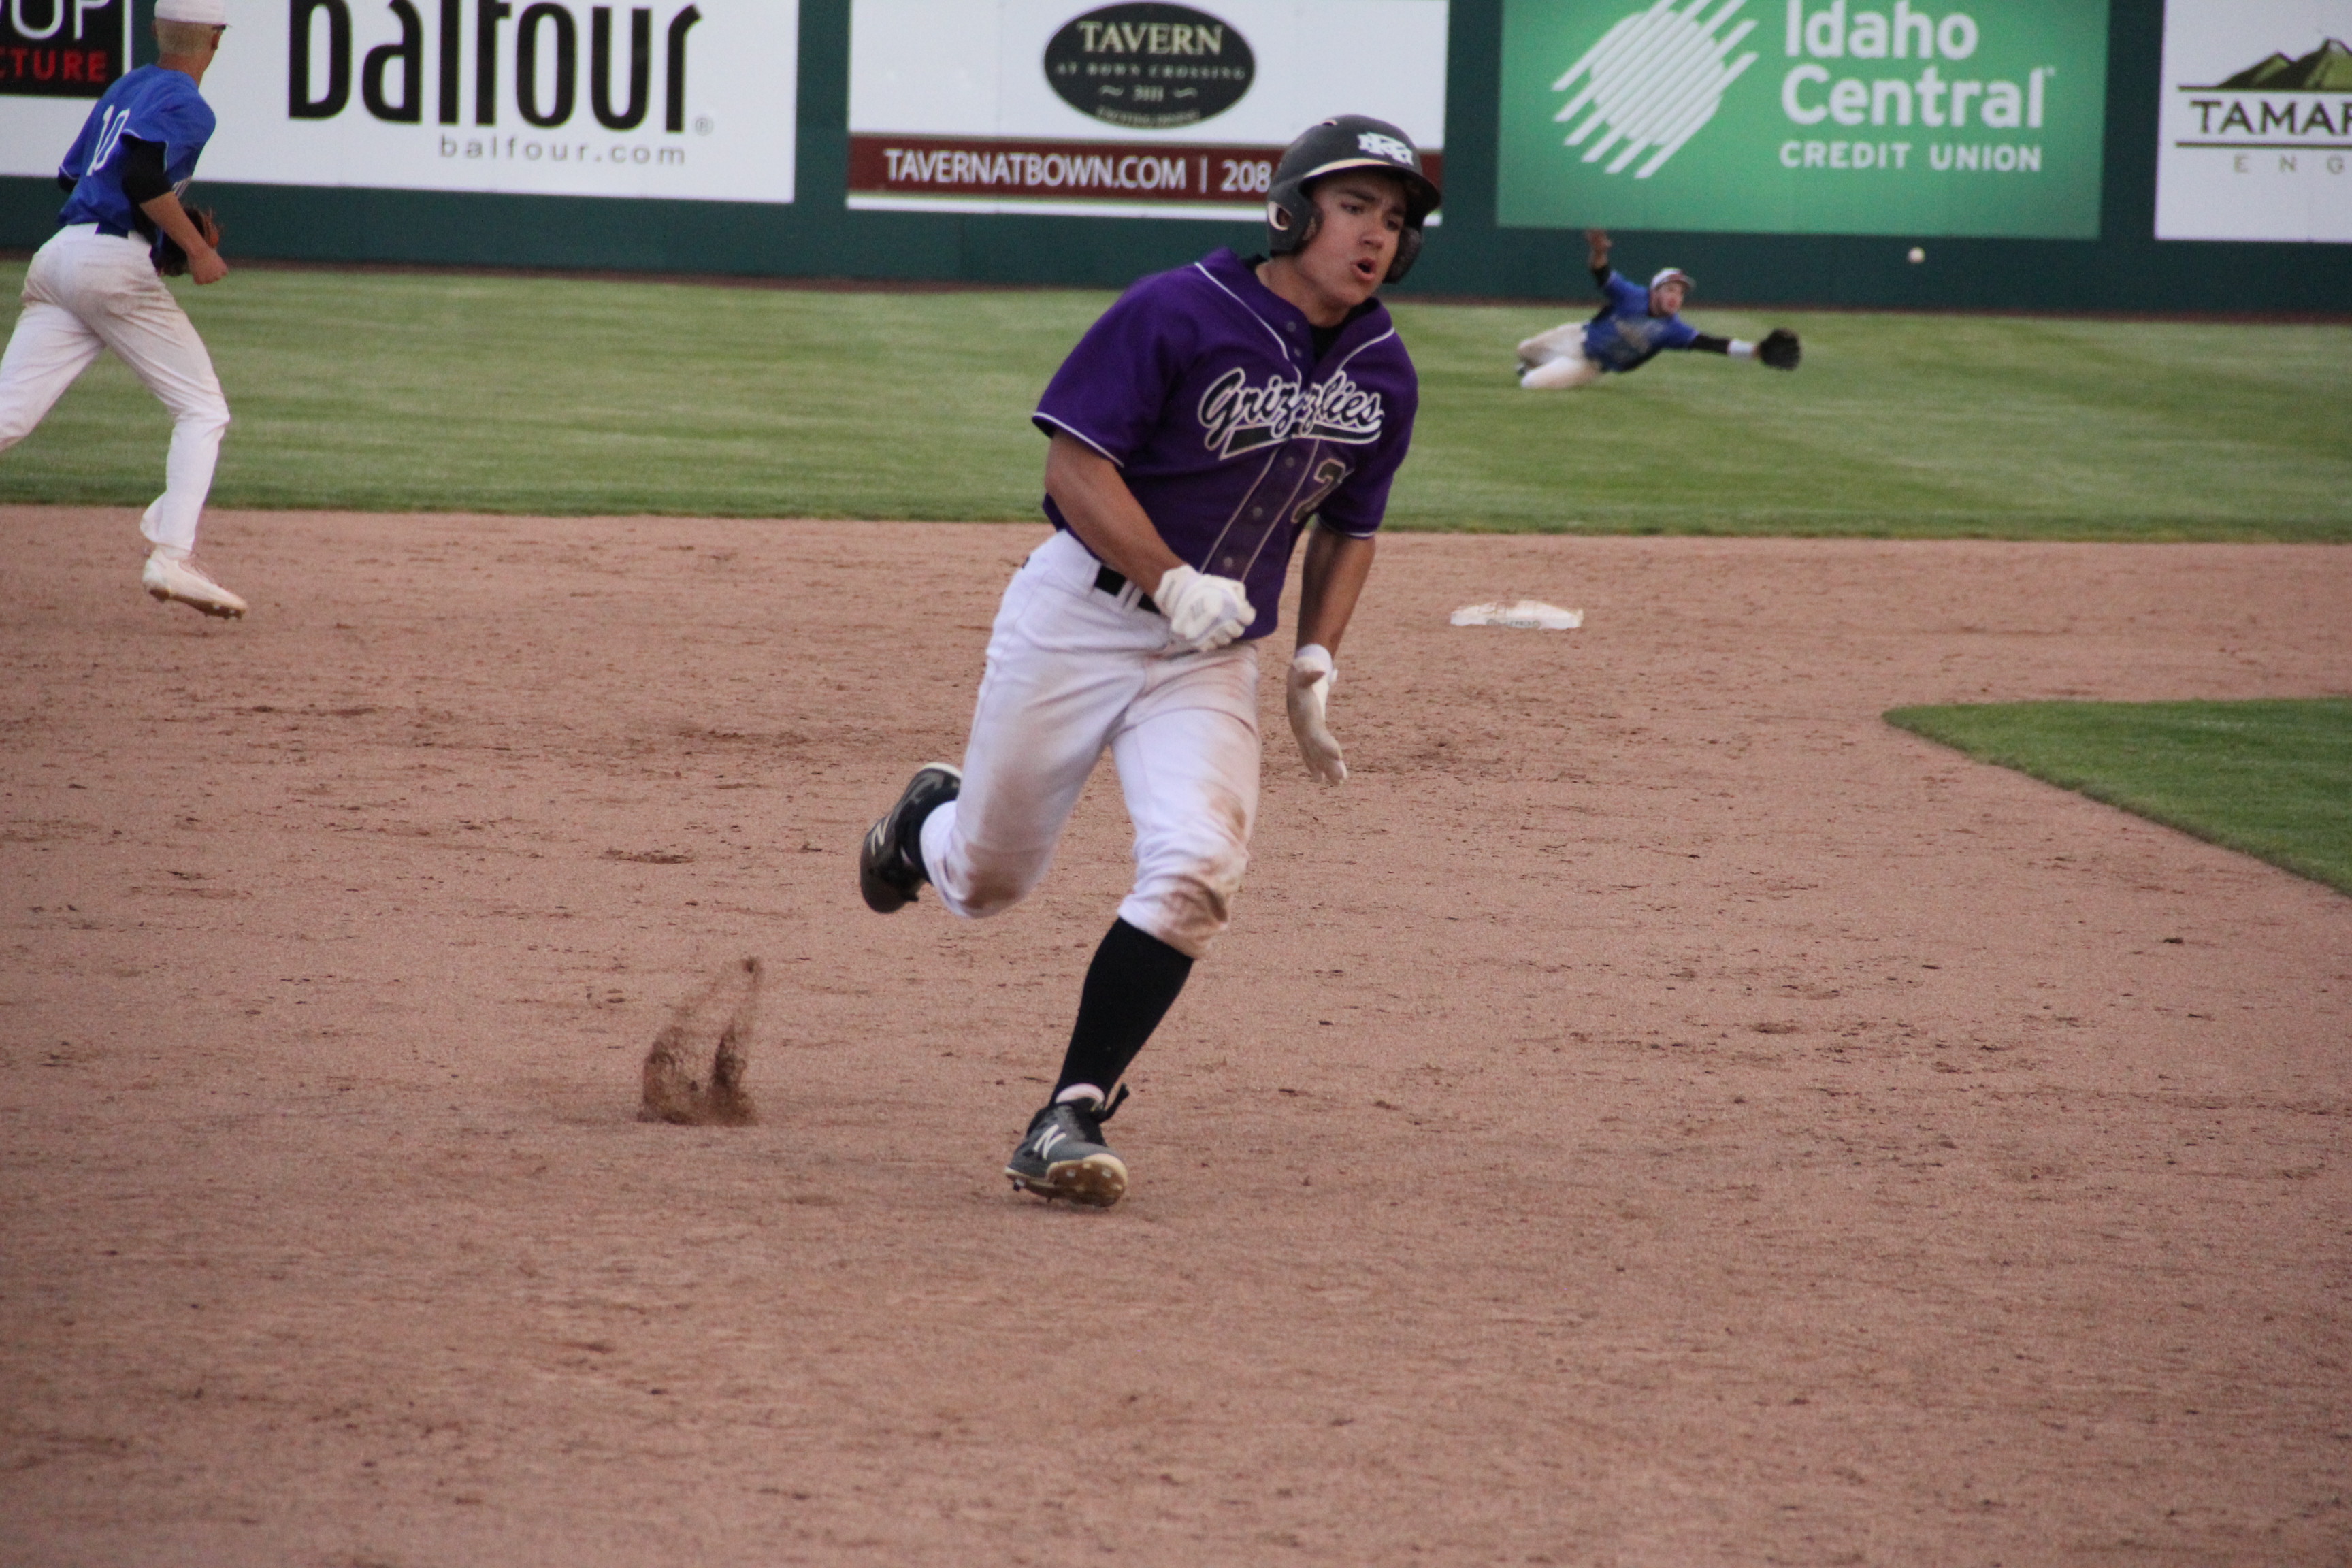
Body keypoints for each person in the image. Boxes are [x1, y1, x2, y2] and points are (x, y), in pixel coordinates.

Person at [855, 115, 1439, 1210]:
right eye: (1356, 205)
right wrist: (1172, 576)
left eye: (1396, 219)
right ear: (1295, 210)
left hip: (1208, 661)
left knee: (1195, 872)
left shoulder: (1384, 370)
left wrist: (1316, 656)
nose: (1376, 234)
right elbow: (1078, 468)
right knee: (985, 884)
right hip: (1080, 619)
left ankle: (1069, 1110)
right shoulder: (1179, 308)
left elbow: (1351, 526)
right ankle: (920, 827)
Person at [0, 0, 244, 618]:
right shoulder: (191, 103)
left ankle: (171, 534)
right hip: (107, 264)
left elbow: (83, 177)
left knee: (8, 416)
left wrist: (162, 238)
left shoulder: (127, 86)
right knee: (202, 408)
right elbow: (138, 175)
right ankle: (171, 554)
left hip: (60, 256)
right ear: (214, 39)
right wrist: (192, 248)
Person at [1514, 229, 1799, 389]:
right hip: (1577, 336)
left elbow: (1713, 344)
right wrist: (1600, 251)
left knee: (1531, 385)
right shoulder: (1630, 296)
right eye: (1671, 289)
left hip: (1591, 365)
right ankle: (1535, 361)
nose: (1676, 297)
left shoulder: (1673, 330)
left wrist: (1757, 351)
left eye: (1681, 292)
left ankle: (1543, 370)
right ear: (1655, 291)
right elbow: (1601, 273)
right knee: (1524, 350)